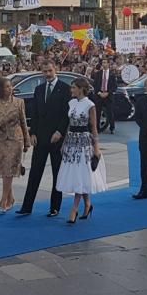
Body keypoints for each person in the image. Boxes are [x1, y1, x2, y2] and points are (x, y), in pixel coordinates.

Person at [17, 62, 70, 217]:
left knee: (57, 172)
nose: (47, 74)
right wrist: (32, 133)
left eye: (50, 71)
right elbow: (35, 113)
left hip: (56, 138)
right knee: (35, 172)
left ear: (55, 70)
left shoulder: (65, 88)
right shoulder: (39, 89)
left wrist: (60, 132)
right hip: (40, 137)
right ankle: (27, 206)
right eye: (44, 71)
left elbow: (66, 113)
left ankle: (55, 207)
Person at [56, 77, 105, 224]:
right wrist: (64, 143)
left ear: (81, 88)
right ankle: (88, 204)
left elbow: (94, 127)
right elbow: (68, 125)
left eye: (73, 88)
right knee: (79, 175)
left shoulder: (90, 105)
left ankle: (74, 209)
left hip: (84, 142)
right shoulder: (71, 103)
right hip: (71, 141)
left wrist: (96, 148)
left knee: (80, 174)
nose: (71, 90)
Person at [0, 77, 30, 213]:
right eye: (6, 86)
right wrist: (1, 122)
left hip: (15, 139)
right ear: (0, 89)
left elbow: (23, 122)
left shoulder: (19, 102)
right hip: (0, 139)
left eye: (10, 86)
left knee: (9, 169)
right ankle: (10, 198)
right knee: (5, 170)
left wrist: (27, 141)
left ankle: (3, 199)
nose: (9, 89)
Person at [93, 60, 118, 134]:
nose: (104, 64)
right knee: (97, 112)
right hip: (99, 95)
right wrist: (99, 93)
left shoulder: (112, 74)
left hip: (108, 96)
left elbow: (114, 86)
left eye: (105, 62)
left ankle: (112, 128)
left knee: (110, 112)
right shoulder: (98, 74)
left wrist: (108, 93)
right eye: (102, 63)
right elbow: (95, 84)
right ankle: (97, 128)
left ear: (108, 64)